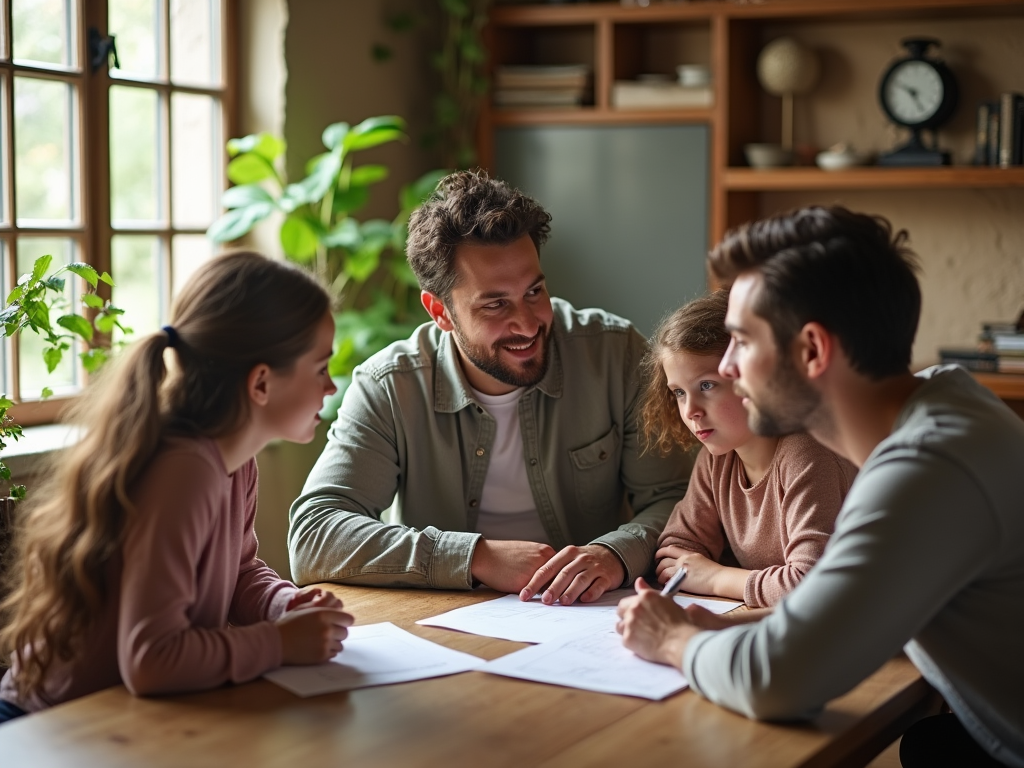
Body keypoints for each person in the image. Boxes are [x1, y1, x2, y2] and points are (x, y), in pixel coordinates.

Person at [616, 206, 1024, 767]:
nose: (729, 368)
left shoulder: (926, 470)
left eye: (741, 341)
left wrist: (670, 640)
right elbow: (836, 607)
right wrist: (722, 625)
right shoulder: (942, 404)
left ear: (811, 350)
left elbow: (778, 681)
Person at [288, 169, 692, 606]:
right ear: (440, 312)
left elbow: (674, 499)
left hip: (587, 616)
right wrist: (473, 557)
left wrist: (613, 552)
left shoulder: (615, 355)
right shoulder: (389, 387)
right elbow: (315, 533)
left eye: (534, 291)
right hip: (445, 624)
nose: (528, 322)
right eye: (496, 304)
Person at [0, 252, 354, 724]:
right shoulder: (184, 471)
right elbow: (151, 659)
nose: (331, 387)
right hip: (50, 727)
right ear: (262, 383)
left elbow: (240, 571)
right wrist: (281, 643)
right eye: (320, 368)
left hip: (123, 722)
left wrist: (281, 603)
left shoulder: (237, 459)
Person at [639, 290, 856, 607]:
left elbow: (812, 587)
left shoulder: (807, 453)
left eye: (707, 386)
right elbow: (677, 551)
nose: (691, 411)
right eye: (679, 393)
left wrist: (715, 578)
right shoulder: (716, 457)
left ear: (750, 374)